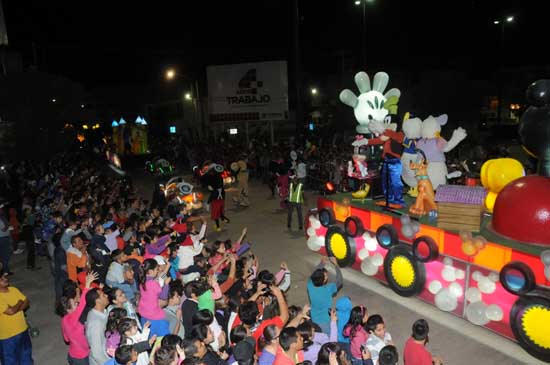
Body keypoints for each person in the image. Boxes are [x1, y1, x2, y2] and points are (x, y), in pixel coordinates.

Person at [59, 271, 98, 365]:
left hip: (72, 355)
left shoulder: (64, 320)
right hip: (82, 357)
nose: (77, 305)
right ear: (69, 309)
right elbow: (83, 303)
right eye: (75, 304)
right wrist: (87, 284)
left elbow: (67, 339)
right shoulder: (73, 317)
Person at [0, 266, 33, 365]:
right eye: (1, 279)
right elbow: (10, 311)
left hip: (23, 330)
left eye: (4, 277)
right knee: (10, 361)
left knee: (26, 357)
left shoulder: (13, 289)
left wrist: (15, 307)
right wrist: (19, 303)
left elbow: (26, 302)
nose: (5, 279)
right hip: (7, 337)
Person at [306, 256, 342, 334]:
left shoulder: (310, 285)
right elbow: (339, 281)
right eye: (325, 276)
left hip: (314, 317)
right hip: (325, 320)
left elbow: (313, 275)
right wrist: (336, 265)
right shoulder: (329, 289)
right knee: (328, 338)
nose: (327, 276)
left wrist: (322, 263)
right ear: (323, 280)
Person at [137, 258, 171, 337]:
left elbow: (159, 278)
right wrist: (166, 284)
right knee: (163, 338)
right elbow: (163, 296)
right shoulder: (153, 284)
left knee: (149, 337)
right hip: (154, 316)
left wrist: (167, 266)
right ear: (151, 271)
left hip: (144, 314)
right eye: (157, 269)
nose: (158, 271)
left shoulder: (143, 281)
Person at [83, 288, 110, 365]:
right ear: (97, 301)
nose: (106, 295)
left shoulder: (99, 312)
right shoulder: (96, 324)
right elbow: (97, 353)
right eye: (103, 295)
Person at [0, 207, 13, 276]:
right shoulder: (1, 219)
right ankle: (4, 271)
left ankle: (6, 270)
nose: (2, 210)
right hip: (2, 239)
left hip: (4, 238)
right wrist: (8, 225)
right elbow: (4, 229)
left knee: (3, 256)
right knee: (6, 256)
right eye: (1, 209)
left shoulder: (2, 218)